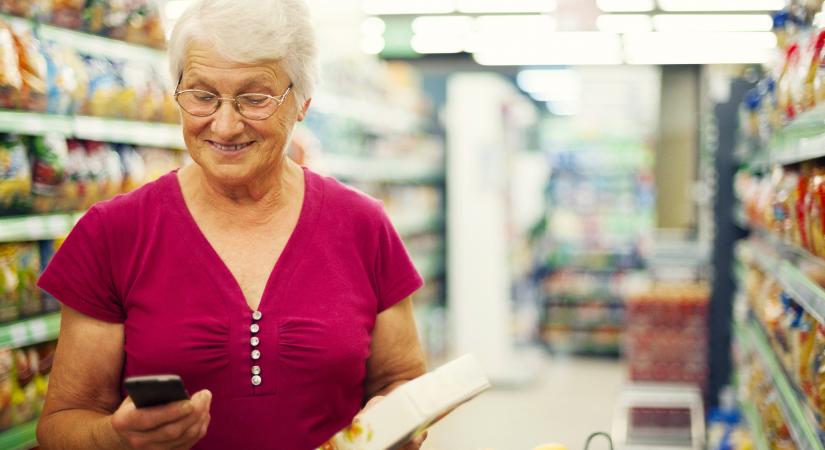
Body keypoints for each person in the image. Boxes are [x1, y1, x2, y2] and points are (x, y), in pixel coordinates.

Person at [35, 0, 428, 448]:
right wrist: (114, 438)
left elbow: (403, 380)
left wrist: (399, 419)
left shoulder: (363, 226)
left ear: (302, 102)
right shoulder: (112, 233)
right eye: (202, 96)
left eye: (254, 98)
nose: (224, 125)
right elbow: (61, 423)